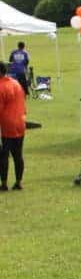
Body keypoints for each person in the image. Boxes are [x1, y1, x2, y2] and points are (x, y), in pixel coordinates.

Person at [0, 61, 27, 192]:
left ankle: (4, 183)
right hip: (20, 122)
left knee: (4, 155)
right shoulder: (16, 83)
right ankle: (18, 182)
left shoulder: (0, 87)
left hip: (7, 124)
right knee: (18, 154)